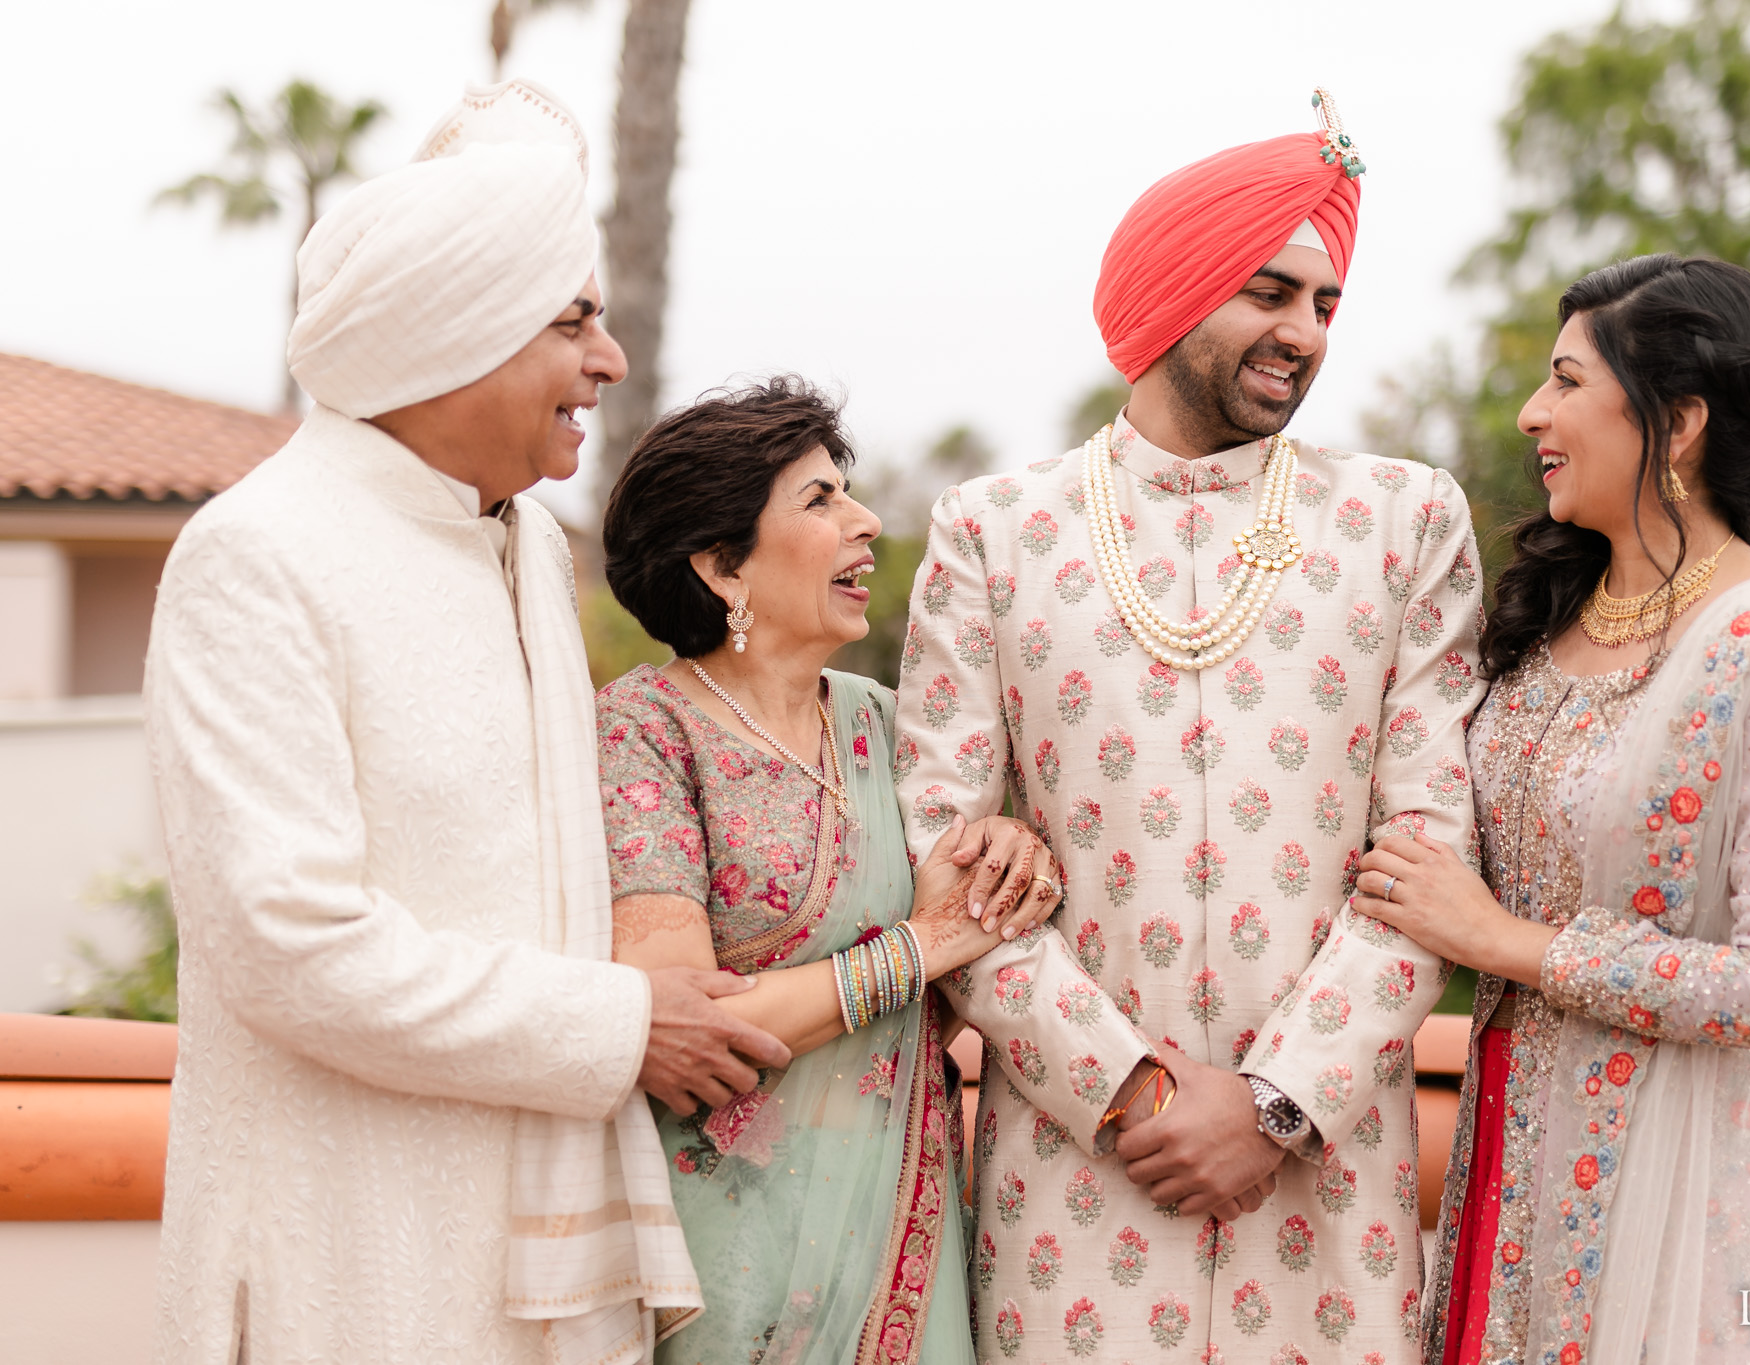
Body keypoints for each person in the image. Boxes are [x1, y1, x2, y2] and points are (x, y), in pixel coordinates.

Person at [143, 82, 792, 1365]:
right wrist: (618, 1027)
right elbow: (288, 946)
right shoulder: (257, 555)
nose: (606, 363)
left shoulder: (528, 545)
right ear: (457, 334)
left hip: (543, 1268)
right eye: (574, 322)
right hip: (353, 1262)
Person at [892, 91, 1487, 1362]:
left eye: (1324, 305)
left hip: (1323, 1179)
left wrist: (1274, 1105)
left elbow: (1431, 855)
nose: (1304, 334)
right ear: (1173, 293)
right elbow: (941, 851)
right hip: (1081, 1167)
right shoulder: (994, 533)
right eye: (1268, 293)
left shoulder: (1401, 521)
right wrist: (1134, 1093)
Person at [1351, 255, 1750, 1365]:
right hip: (1512, 1178)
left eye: (1563, 382)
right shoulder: (1542, 627)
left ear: (1676, 420)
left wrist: (1508, 944)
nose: (1528, 412)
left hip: (1696, 1201)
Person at [594, 378, 1061, 1364]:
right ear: (722, 565)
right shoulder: (645, 733)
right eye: (819, 500)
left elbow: (988, 916)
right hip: (725, 1262)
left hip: (906, 1240)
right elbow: (689, 1028)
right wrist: (919, 949)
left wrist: (1014, 852)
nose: (867, 522)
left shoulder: (893, 730)